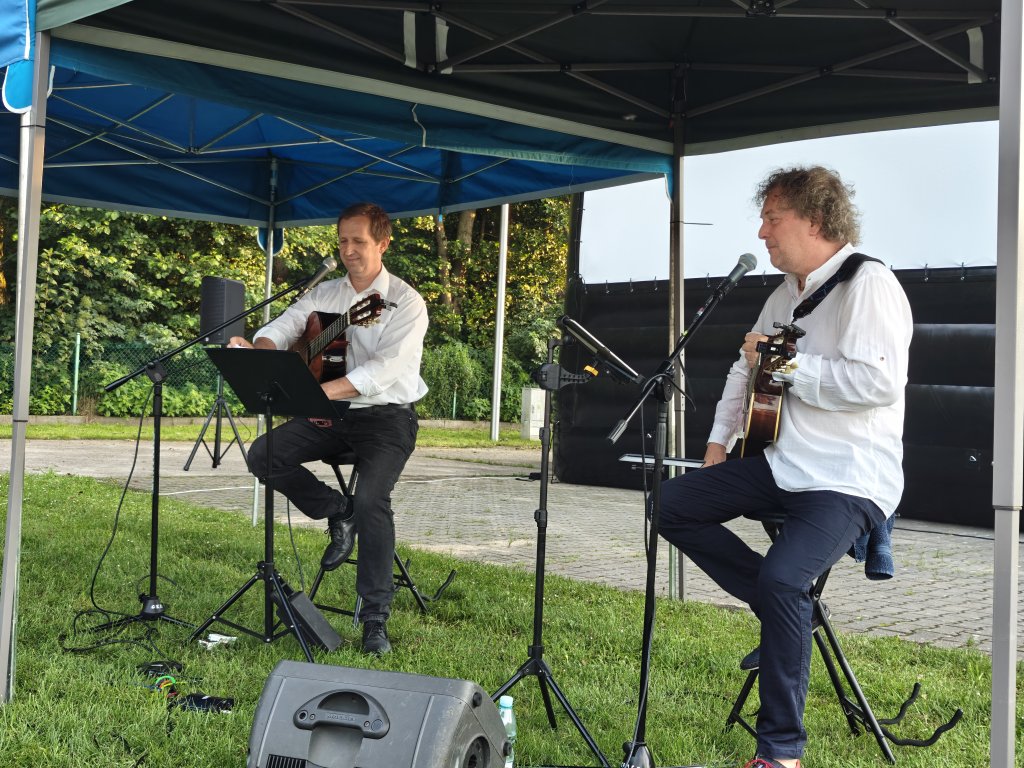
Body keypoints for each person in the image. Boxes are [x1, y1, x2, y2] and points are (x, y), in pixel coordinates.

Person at [659, 166, 912, 768]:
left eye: (773, 218)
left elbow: (877, 383)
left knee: (781, 580)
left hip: (847, 478)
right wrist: (718, 440)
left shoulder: (868, 283)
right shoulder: (783, 294)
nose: (762, 232)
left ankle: (779, 752)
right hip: (781, 463)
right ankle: (791, 612)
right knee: (670, 504)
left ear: (815, 221)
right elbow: (743, 369)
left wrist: (786, 365)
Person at [229, 202, 428, 655]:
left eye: (359, 241)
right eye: (342, 241)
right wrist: (261, 350)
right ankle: (339, 511)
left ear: (383, 243)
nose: (348, 250)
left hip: (387, 417)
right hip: (331, 411)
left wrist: (314, 393)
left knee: (373, 499)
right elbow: (282, 327)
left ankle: (375, 618)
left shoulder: (406, 302)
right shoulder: (326, 293)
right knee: (263, 454)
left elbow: (383, 371)